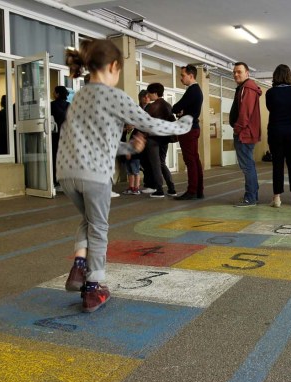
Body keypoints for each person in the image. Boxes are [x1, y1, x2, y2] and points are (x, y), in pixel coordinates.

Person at [57, 39, 192, 313]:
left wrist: (129, 148)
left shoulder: (80, 97)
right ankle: (94, 288)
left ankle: (79, 267)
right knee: (99, 228)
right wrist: (184, 124)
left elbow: (94, 140)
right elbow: (150, 123)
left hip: (67, 173)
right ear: (114, 66)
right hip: (94, 174)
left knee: (88, 220)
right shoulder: (114, 96)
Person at [265, 64, 291, 208]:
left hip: (276, 131)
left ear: (275, 76)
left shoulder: (270, 93)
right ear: (289, 76)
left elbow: (270, 108)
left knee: (277, 165)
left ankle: (277, 198)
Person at [229, 62, 262, 207]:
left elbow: (245, 112)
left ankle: (250, 198)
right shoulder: (244, 88)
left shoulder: (247, 88)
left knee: (247, 166)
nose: (236, 74)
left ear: (247, 73)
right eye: (234, 72)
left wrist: (238, 128)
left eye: (239, 72)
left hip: (244, 133)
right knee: (249, 165)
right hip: (245, 132)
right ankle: (253, 195)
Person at [172, 65, 205, 200]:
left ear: (191, 76)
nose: (181, 78)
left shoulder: (192, 90)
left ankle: (192, 190)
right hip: (193, 128)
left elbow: (176, 107)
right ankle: (198, 190)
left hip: (188, 130)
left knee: (190, 160)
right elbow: (182, 108)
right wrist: (182, 111)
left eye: (182, 75)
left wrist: (180, 111)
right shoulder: (196, 91)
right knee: (195, 160)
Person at [143, 82, 177, 198]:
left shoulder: (152, 107)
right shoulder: (168, 105)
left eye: (149, 93)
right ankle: (171, 188)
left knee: (155, 164)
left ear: (155, 93)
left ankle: (159, 190)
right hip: (165, 139)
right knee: (162, 163)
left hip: (153, 139)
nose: (148, 95)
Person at [137, 89, 155, 195]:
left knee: (150, 163)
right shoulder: (139, 108)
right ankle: (147, 183)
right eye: (145, 97)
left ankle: (152, 184)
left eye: (148, 97)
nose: (147, 99)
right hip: (140, 137)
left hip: (148, 137)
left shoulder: (151, 108)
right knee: (144, 162)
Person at [51, 86, 70, 187]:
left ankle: (56, 180)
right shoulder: (69, 105)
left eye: (54, 92)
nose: (53, 93)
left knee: (55, 157)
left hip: (55, 136)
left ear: (57, 94)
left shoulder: (52, 105)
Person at [119, 124, 141, 195]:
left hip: (135, 156)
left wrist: (130, 153)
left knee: (136, 172)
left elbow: (136, 144)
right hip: (126, 155)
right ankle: (131, 187)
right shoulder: (125, 133)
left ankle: (136, 188)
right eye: (127, 125)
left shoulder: (136, 133)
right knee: (129, 172)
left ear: (134, 126)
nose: (128, 126)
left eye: (130, 125)